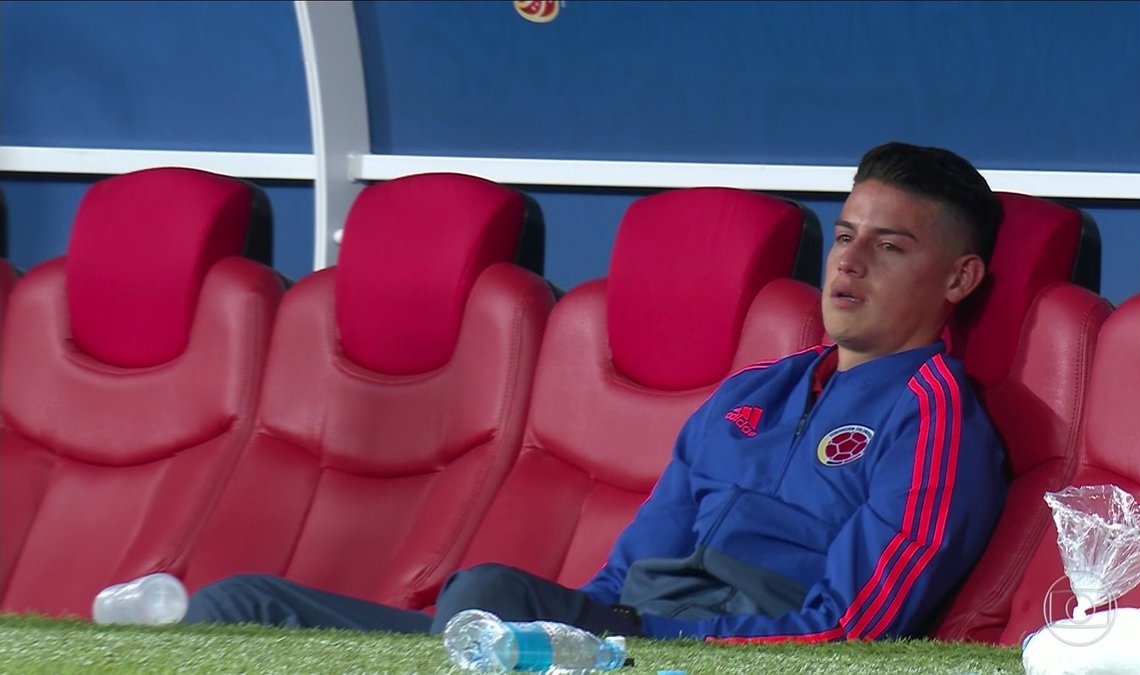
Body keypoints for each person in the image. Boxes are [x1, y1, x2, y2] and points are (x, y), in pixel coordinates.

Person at [184, 141, 1008, 642]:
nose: (849, 262)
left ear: (960, 278)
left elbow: (852, 630)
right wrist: (581, 632)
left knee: (488, 595)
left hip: (690, 649)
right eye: (845, 235)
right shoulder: (750, 394)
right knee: (239, 603)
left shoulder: (933, 416)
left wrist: (636, 639)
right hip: (616, 635)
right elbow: (620, 581)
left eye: (889, 247)